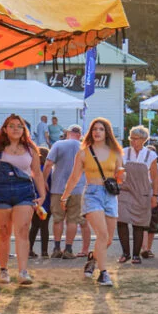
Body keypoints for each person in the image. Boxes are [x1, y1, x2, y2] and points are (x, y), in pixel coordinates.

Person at [0, 115, 47, 286]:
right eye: (12, 126)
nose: (16, 129)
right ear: (5, 129)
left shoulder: (31, 148)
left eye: (19, 126)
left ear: (24, 130)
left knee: (23, 230)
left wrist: (42, 194)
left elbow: (37, 173)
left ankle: (23, 272)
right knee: (3, 232)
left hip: (24, 192)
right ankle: (3, 270)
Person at [63, 117, 125, 287]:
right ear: (90, 132)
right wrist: (65, 195)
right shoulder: (83, 152)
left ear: (107, 133)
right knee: (102, 234)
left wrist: (121, 177)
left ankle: (92, 259)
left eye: (101, 129)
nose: (97, 132)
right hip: (92, 194)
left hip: (110, 195)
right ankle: (104, 274)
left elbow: (120, 175)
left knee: (108, 240)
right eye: (95, 129)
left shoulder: (115, 152)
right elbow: (75, 176)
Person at [44, 124, 90, 260]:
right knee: (73, 220)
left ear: (68, 133)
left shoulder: (58, 144)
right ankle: (68, 249)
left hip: (58, 188)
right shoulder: (85, 147)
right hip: (78, 189)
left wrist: (44, 180)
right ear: (80, 134)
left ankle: (57, 248)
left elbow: (48, 164)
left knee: (58, 219)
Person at [118, 126, 158, 264]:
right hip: (125, 190)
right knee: (121, 220)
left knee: (139, 223)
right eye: (131, 138)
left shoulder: (150, 155)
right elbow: (118, 171)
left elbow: (155, 177)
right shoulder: (124, 153)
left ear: (143, 140)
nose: (132, 141)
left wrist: (155, 195)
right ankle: (125, 253)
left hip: (142, 192)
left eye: (135, 139)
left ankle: (136, 254)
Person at [28, 147, 52, 258]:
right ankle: (45, 251)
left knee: (34, 226)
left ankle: (29, 249)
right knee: (44, 226)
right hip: (46, 202)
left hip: (35, 201)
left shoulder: (32, 171)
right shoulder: (49, 171)